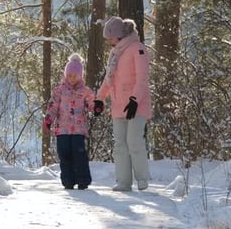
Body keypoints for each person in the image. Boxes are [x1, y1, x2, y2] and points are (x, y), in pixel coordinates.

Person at [95, 16, 151, 191]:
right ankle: (123, 181)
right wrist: (99, 98)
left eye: (110, 38)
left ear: (119, 35)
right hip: (118, 105)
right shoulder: (115, 53)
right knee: (120, 145)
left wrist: (134, 99)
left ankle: (142, 179)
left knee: (134, 141)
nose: (108, 41)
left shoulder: (138, 49)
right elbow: (109, 79)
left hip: (137, 105)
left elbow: (142, 79)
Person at [43, 53, 101, 190]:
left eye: (74, 76)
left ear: (80, 76)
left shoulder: (85, 91)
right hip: (62, 129)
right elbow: (52, 106)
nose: (71, 78)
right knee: (64, 154)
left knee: (79, 154)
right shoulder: (59, 90)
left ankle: (83, 180)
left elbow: (92, 103)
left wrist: (97, 107)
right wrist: (48, 120)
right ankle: (68, 181)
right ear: (65, 75)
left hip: (78, 129)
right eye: (69, 75)